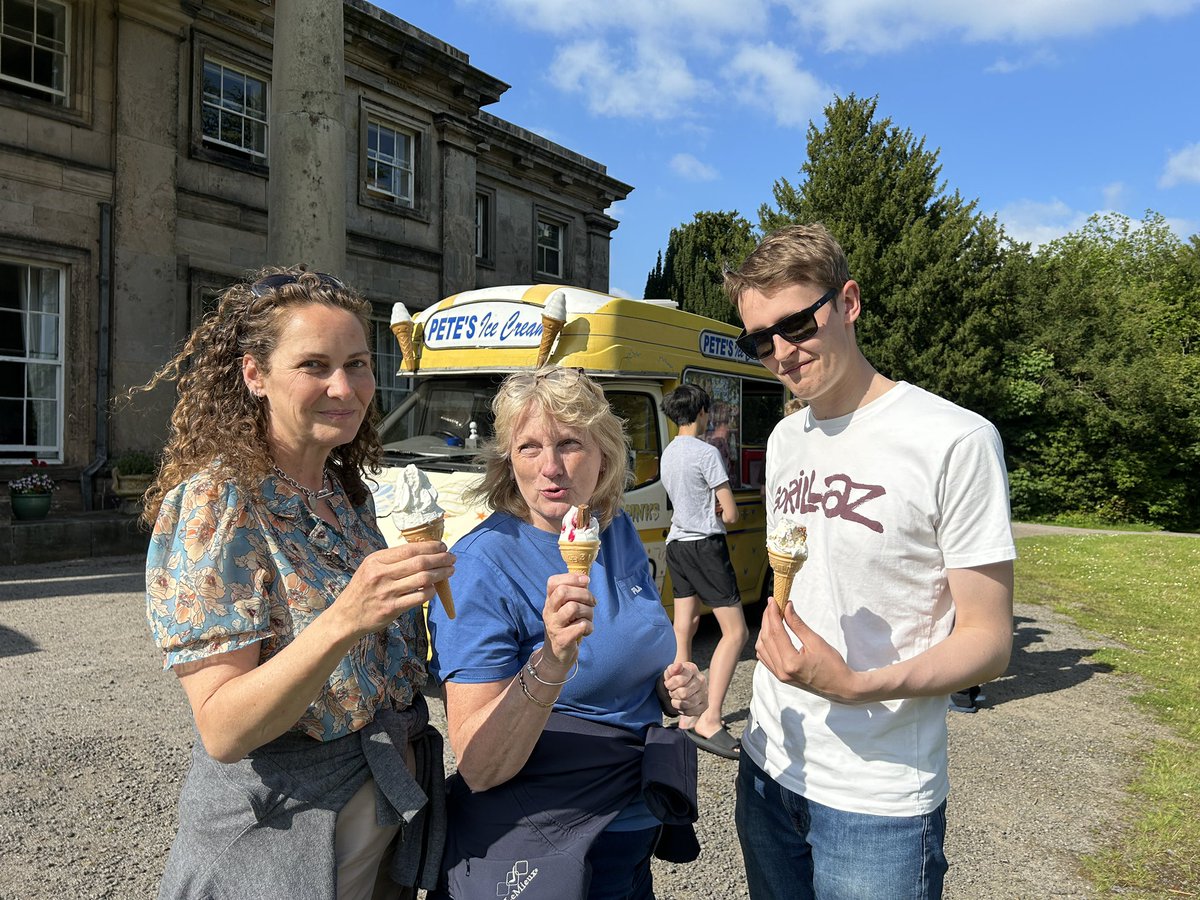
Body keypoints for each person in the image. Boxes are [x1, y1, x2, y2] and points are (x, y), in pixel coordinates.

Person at [140, 267, 455, 899]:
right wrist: (346, 616)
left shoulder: (344, 493)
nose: (345, 387)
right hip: (281, 828)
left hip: (381, 802)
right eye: (314, 365)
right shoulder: (217, 502)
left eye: (359, 363)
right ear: (254, 374)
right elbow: (224, 729)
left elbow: (375, 670)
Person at [724, 224, 1016, 900]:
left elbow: (990, 641)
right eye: (759, 340)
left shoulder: (955, 440)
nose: (782, 354)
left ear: (848, 302)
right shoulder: (785, 437)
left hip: (879, 798)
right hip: (769, 766)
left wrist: (857, 685)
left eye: (797, 325)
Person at [426, 365, 708, 900]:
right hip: (543, 842)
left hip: (631, 828)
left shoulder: (610, 525)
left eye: (570, 443)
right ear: (508, 458)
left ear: (604, 452)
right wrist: (551, 661)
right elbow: (480, 765)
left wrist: (670, 689)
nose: (550, 467)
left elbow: (625, 653)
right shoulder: (480, 566)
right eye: (529, 447)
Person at [659, 384, 747, 760]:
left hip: (676, 544)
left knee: (685, 626)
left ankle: (685, 713)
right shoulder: (707, 452)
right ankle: (710, 717)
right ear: (701, 412)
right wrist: (719, 510)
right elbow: (730, 512)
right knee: (737, 631)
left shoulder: (668, 454)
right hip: (706, 546)